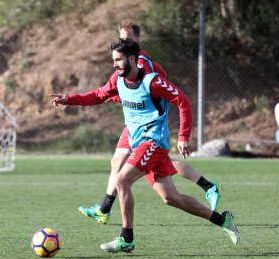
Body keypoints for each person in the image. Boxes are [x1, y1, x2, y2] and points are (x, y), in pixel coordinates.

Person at [51, 39, 239, 253]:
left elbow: (183, 102)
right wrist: (70, 99)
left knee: (121, 180)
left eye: (119, 60)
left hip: (154, 142)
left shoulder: (153, 82)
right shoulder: (118, 80)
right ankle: (222, 220)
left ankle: (126, 239)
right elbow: (97, 95)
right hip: (140, 144)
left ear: (133, 59)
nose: (115, 64)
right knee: (171, 198)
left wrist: (184, 136)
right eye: (113, 60)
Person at [77, 20, 220, 225]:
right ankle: (215, 205)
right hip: (135, 123)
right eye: (121, 38)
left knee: (124, 173)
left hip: (149, 126)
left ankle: (116, 223)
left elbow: (160, 84)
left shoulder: (141, 62)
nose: (123, 41)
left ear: (136, 40)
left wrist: (181, 133)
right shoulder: (122, 68)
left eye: (127, 38)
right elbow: (107, 92)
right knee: (167, 193)